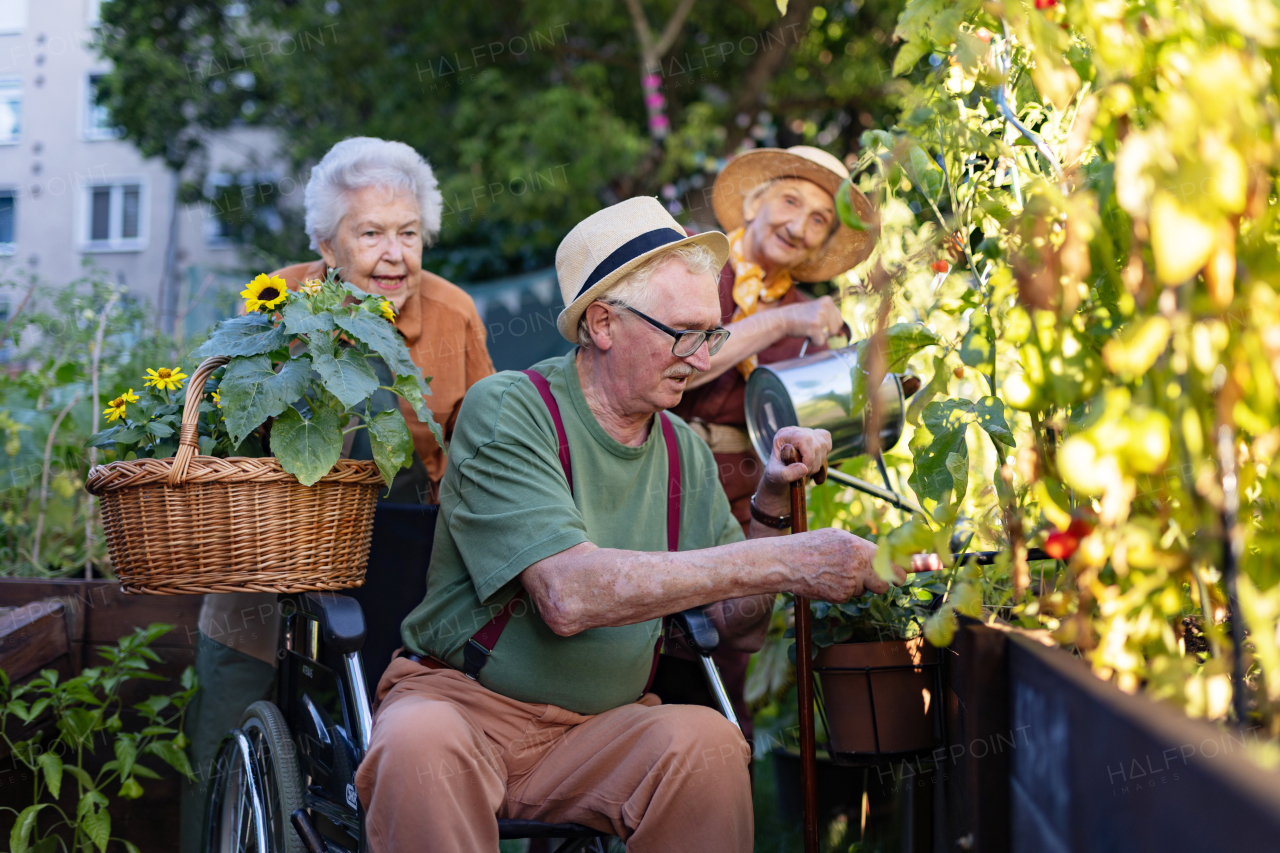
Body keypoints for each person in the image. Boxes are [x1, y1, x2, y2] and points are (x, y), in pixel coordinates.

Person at [356, 197, 935, 852]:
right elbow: (566, 596)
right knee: (416, 744)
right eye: (684, 332)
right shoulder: (511, 410)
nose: (700, 355)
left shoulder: (684, 450)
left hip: (600, 730)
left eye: (711, 333)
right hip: (465, 711)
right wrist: (794, 560)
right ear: (602, 322)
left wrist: (772, 499)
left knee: (711, 744)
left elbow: (737, 626)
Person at [180, 138, 494, 852]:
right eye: (371, 233)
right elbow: (234, 437)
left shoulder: (453, 314)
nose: (395, 254)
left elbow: (482, 451)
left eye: (409, 233)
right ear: (326, 243)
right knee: (228, 708)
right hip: (276, 550)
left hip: (406, 568)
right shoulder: (276, 305)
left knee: (412, 731)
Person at [670, 145, 878, 741]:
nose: (799, 224)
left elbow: (835, 426)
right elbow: (681, 361)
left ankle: (716, 785)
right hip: (658, 475)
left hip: (741, 502)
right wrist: (781, 322)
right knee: (641, 632)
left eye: (819, 220)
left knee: (725, 652)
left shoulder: (809, 317)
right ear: (755, 204)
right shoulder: (694, 261)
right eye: (791, 201)